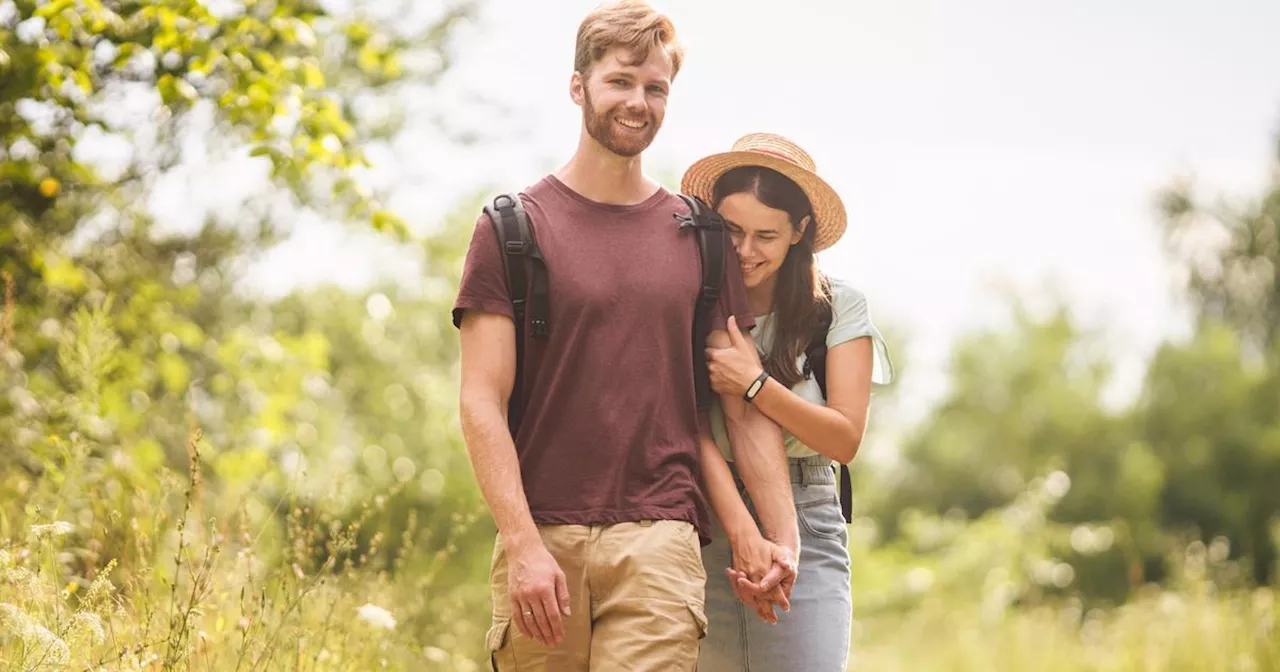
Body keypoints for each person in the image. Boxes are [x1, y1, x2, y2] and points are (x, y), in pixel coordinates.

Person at [451, 4, 800, 670]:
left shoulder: (700, 237)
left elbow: (740, 406)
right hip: (542, 536)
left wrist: (777, 538)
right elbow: (480, 402)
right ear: (578, 86)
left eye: (656, 87)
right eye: (620, 82)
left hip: (661, 538)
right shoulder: (511, 229)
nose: (638, 102)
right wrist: (522, 545)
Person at [682, 133, 895, 671]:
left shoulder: (838, 308)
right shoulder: (689, 299)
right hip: (704, 514)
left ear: (800, 233)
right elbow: (689, 427)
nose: (745, 251)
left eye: (765, 236)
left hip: (808, 512)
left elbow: (843, 438)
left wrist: (755, 383)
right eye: (732, 231)